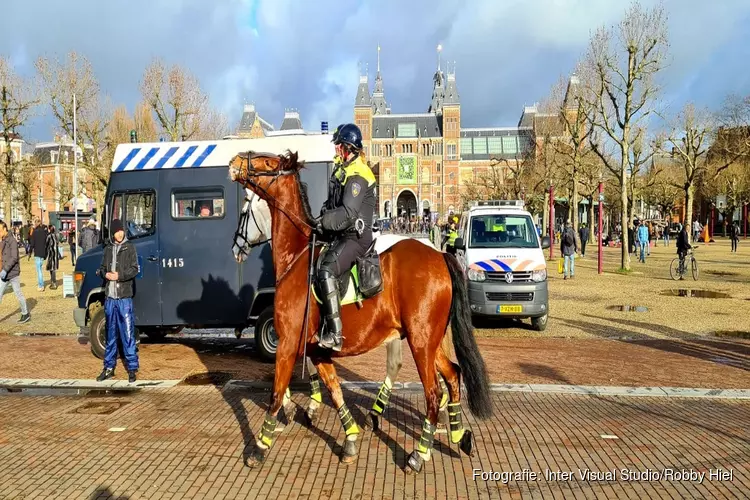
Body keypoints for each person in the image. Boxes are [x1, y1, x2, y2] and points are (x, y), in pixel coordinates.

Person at [312, 123, 376, 352]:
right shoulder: (342, 169)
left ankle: (335, 333)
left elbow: (348, 214)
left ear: (347, 147)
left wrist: (323, 221)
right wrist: (317, 220)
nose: (336, 149)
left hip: (355, 239)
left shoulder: (358, 174)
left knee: (326, 268)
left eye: (339, 145)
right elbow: (331, 205)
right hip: (340, 234)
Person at [96, 219, 140, 383]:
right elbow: (101, 268)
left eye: (121, 231)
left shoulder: (130, 248)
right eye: (117, 231)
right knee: (110, 333)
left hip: (124, 298)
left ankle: (132, 368)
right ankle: (108, 367)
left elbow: (135, 269)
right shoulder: (108, 249)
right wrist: (104, 274)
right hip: (110, 299)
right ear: (113, 233)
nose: (120, 234)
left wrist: (119, 276)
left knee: (127, 333)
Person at [0, 220, 31, 323]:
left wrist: (5, 269)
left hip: (12, 273)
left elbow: (14, 257)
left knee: (18, 293)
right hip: (4, 274)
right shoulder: (3, 240)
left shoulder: (12, 240)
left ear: (5, 229)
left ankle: (25, 313)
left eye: (0, 230)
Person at [30, 218, 48, 291]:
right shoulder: (44, 232)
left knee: (39, 270)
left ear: (36, 224)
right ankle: (41, 284)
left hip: (37, 252)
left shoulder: (35, 232)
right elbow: (46, 242)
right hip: (43, 252)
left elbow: (32, 243)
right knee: (40, 268)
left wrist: (30, 251)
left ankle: (41, 285)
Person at [45, 225, 60, 290]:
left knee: (52, 269)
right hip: (55, 253)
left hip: (52, 253)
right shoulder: (56, 236)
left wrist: (45, 254)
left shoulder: (49, 236)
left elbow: (46, 245)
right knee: (53, 268)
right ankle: (52, 282)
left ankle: (53, 283)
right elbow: (57, 243)